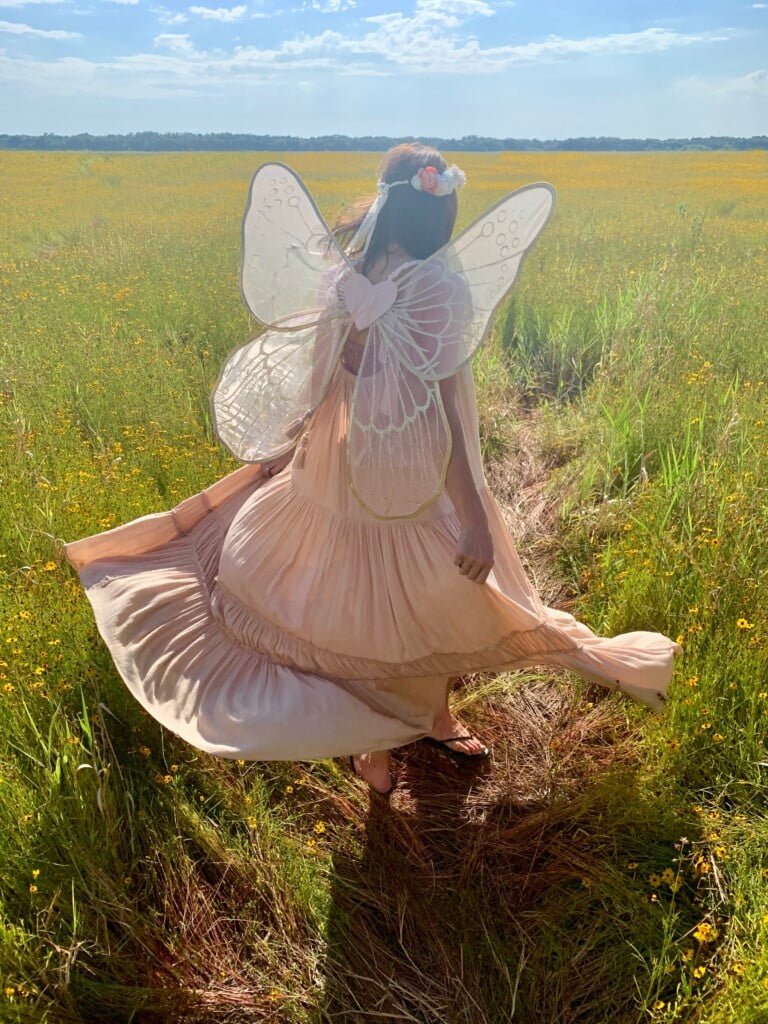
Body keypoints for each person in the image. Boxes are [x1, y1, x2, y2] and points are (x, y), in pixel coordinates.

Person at [63, 142, 682, 798]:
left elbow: (320, 374)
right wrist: (472, 514)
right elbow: (446, 408)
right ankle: (402, 728)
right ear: (439, 214)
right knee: (426, 603)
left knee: (344, 603)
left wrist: (292, 443)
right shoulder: (438, 287)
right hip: (409, 471)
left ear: (386, 207)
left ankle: (386, 742)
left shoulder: (344, 274)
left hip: (334, 464)